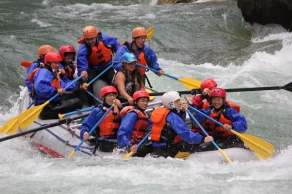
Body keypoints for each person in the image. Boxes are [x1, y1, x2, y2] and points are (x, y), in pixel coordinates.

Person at [150, 91, 213, 158]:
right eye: (177, 102)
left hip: (159, 148)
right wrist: (202, 139)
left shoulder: (162, 112)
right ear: (171, 103)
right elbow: (186, 134)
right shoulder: (173, 116)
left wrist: (182, 112)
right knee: (200, 146)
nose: (180, 103)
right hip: (170, 149)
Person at [30, 52, 83, 119]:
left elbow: (63, 85)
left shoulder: (53, 72)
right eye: (55, 63)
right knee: (78, 102)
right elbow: (39, 88)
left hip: (51, 102)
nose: (58, 65)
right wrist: (56, 90)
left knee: (72, 95)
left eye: (58, 63)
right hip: (44, 108)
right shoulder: (44, 72)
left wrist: (78, 84)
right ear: (48, 63)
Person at [77, 25, 120, 105]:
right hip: (93, 69)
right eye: (88, 39)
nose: (90, 41)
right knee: (86, 85)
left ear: (96, 36)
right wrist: (83, 74)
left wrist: (118, 53)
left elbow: (115, 44)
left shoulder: (104, 39)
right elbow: (82, 64)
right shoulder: (83, 49)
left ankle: (119, 99)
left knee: (116, 80)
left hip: (108, 67)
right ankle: (91, 103)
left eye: (92, 39)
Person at [80, 86, 122, 153]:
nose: (112, 98)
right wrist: (85, 132)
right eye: (109, 95)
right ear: (103, 98)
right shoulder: (97, 111)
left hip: (117, 139)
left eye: (114, 95)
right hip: (103, 141)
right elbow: (86, 125)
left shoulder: (120, 110)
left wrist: (121, 108)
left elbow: (126, 124)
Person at [117, 90, 152, 157]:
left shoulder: (144, 114)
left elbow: (152, 126)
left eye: (146, 101)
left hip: (140, 143)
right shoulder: (132, 114)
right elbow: (122, 132)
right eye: (143, 101)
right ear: (136, 102)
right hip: (132, 145)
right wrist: (129, 145)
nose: (145, 103)